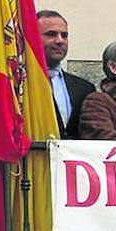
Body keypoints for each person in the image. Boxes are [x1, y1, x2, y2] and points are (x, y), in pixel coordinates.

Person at [37, 10, 95, 138]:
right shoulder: (19, 86)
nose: (60, 41)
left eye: (64, 35)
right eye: (51, 34)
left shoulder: (85, 88)